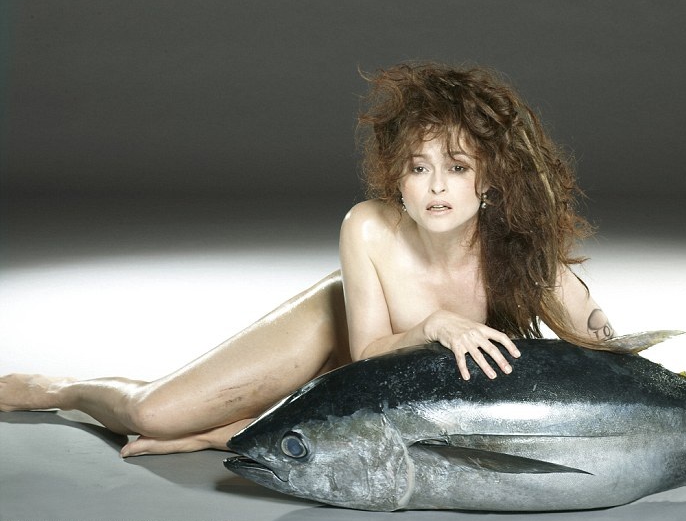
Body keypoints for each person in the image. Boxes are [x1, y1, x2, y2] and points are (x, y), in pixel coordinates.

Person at [0, 61, 616, 457]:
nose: (435, 187)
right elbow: (367, 354)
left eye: (456, 168)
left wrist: (228, 434)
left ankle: (231, 426)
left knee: (213, 427)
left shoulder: (525, 258)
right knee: (152, 414)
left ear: (490, 179)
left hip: (377, 395)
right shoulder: (368, 228)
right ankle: (61, 388)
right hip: (334, 325)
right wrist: (433, 326)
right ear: (396, 178)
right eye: (418, 168)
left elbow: (607, 348)